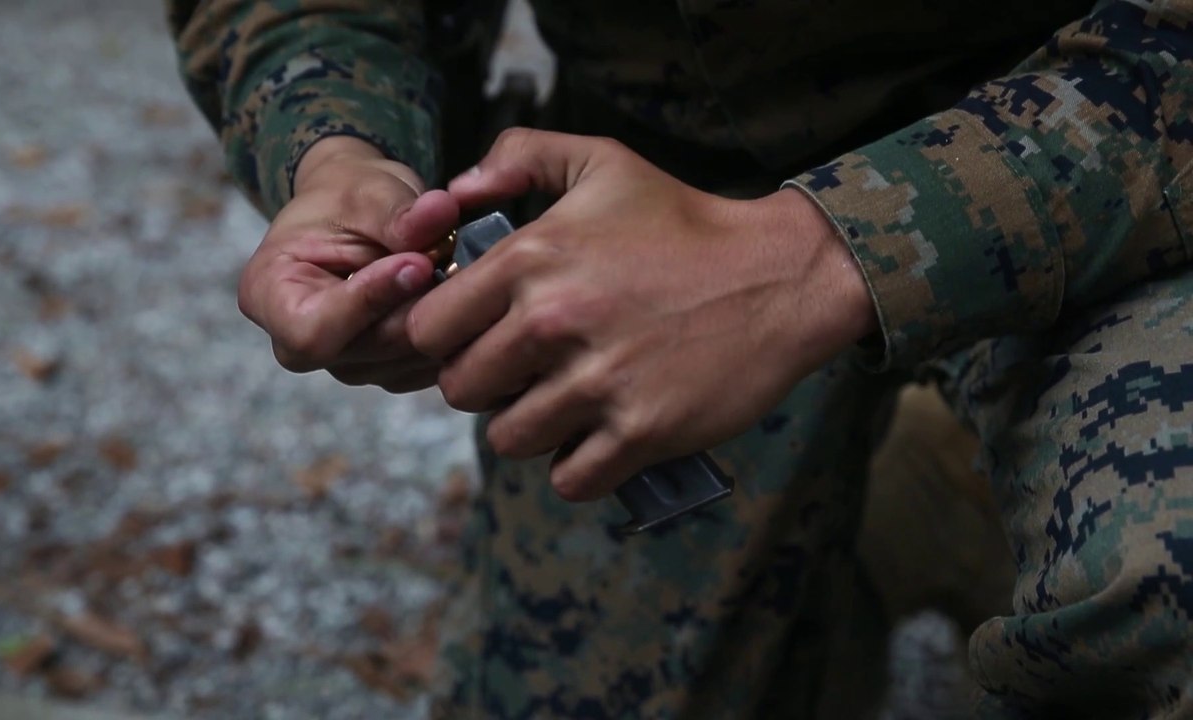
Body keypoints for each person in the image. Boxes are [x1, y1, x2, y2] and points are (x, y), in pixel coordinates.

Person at [167, 1, 1193, 717]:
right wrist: (341, 150)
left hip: (1114, 164)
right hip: (658, 158)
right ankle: (898, 506)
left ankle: (980, 479)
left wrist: (815, 257)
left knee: (1164, 591)